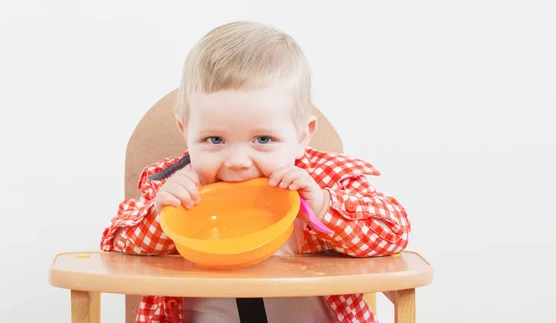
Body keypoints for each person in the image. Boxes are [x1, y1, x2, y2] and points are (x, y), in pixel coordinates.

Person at [100, 21, 411, 323]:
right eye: (214, 139)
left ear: (302, 136)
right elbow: (115, 241)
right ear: (186, 132)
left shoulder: (327, 180)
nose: (237, 161)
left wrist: (324, 207)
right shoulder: (174, 187)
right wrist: (161, 216)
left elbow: (394, 232)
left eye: (263, 139)